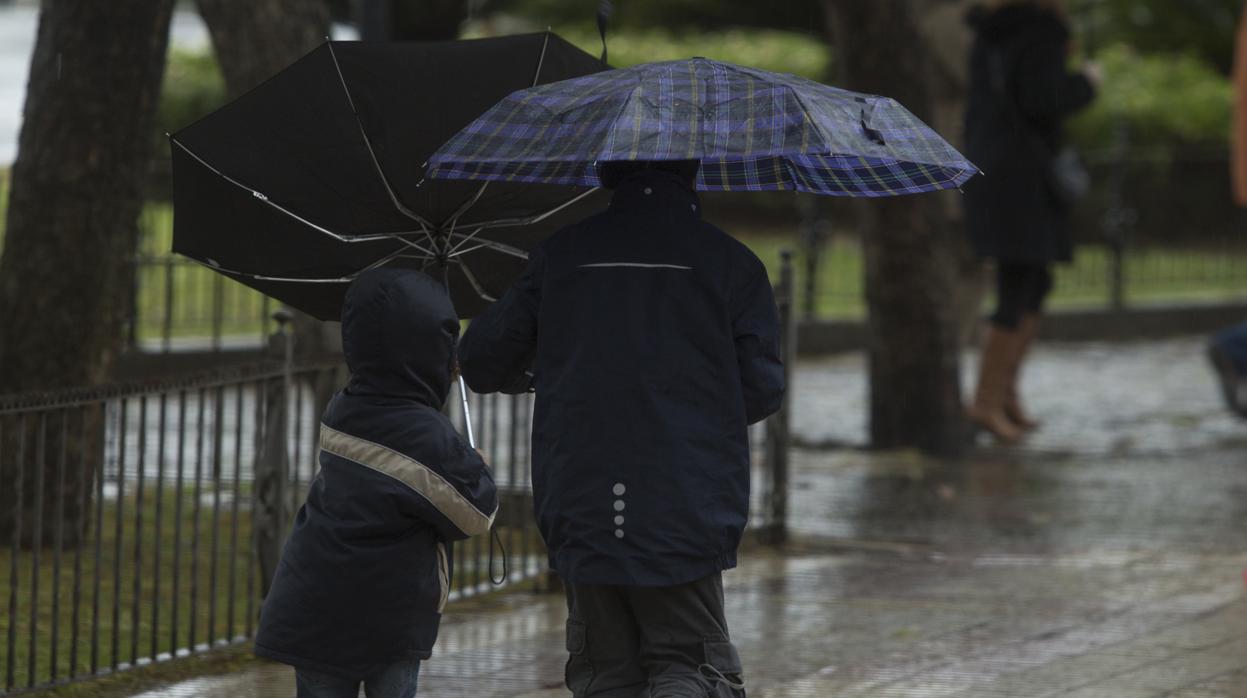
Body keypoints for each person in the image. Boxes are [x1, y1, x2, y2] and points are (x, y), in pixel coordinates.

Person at [458, 160, 785, 697]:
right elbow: (763, 388)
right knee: (689, 665)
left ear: (608, 174)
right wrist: (692, 412)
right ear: (691, 175)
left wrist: (549, 372)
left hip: (581, 494)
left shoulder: (561, 255)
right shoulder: (731, 263)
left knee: (605, 675)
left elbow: (482, 359)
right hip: (685, 498)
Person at [254, 269, 499, 698]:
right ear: (431, 349)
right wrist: (476, 466)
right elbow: (476, 515)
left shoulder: (343, 408)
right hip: (388, 616)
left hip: (314, 603)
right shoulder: (428, 436)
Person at [962, 0, 1101, 443]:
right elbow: (1045, 99)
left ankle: (1004, 395)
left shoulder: (992, 30)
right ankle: (987, 401)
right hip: (1024, 178)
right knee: (1019, 284)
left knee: (1031, 282)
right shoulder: (1041, 29)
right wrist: (1086, 81)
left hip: (994, 169)